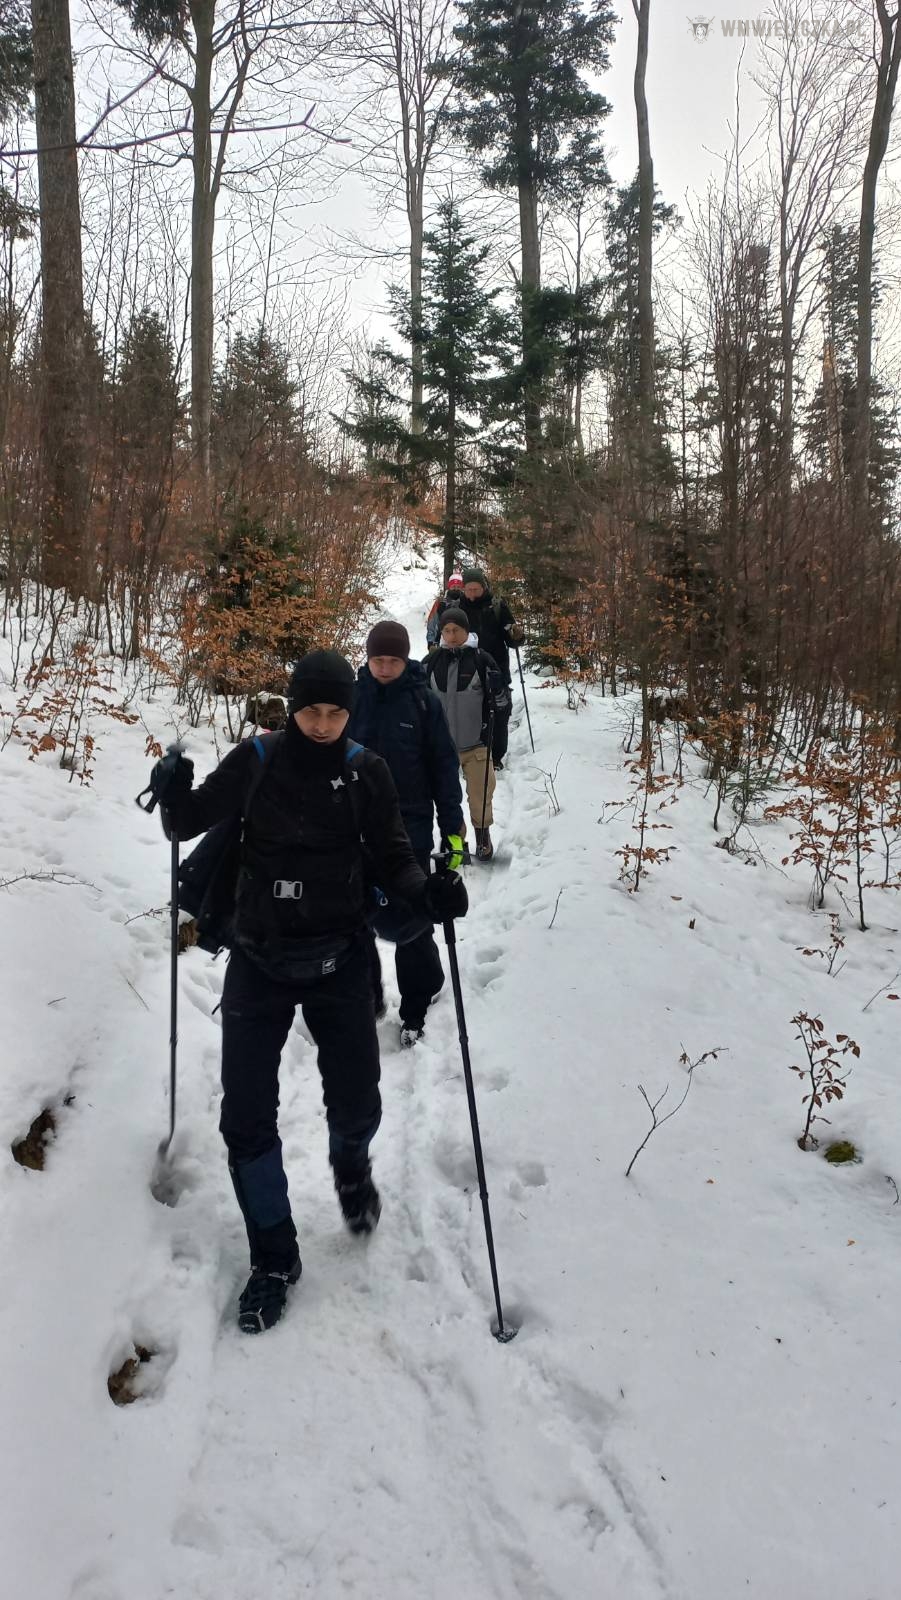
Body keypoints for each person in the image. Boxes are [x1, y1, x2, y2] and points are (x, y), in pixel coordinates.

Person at [146, 648, 468, 1335]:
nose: (322, 724)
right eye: (310, 711)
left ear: (349, 711)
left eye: (334, 712)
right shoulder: (257, 760)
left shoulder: (365, 771)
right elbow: (184, 823)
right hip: (258, 960)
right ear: (292, 708)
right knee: (245, 1121)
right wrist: (172, 789)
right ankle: (274, 1257)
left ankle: (350, 1165)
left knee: (357, 1105)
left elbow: (395, 858)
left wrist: (429, 894)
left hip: (340, 961)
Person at [350, 620, 465, 1048]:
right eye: (378, 660)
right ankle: (367, 998)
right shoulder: (351, 699)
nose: (384, 668)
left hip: (408, 827)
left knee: (412, 916)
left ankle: (417, 1001)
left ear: (405, 660)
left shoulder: (423, 702)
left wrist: (452, 830)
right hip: (354, 827)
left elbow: (443, 768)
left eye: (392, 661)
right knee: (353, 917)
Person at [423, 608, 507, 861]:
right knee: (447, 799)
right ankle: (455, 841)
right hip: (441, 746)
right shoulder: (431, 662)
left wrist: (498, 691)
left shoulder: (482, 660)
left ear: (466, 630)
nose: (451, 636)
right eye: (446, 630)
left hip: (476, 743)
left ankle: (483, 838)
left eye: (456, 630)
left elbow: (501, 705)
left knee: (481, 795)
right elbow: (419, 701)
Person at [436, 568, 524, 769]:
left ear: (484, 587)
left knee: (499, 714)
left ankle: (496, 757)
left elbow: (512, 638)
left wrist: (517, 636)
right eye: (469, 589)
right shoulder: (457, 608)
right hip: (465, 671)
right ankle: (468, 754)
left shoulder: (497, 606)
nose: (472, 594)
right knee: (469, 714)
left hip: (496, 670)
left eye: (476, 589)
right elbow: (445, 633)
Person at [426, 571, 464, 649]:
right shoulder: (440, 603)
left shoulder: (465, 603)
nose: (456, 589)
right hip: (441, 643)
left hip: (462, 643)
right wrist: (430, 641)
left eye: (458, 587)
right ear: (449, 587)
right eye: (453, 586)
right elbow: (432, 622)